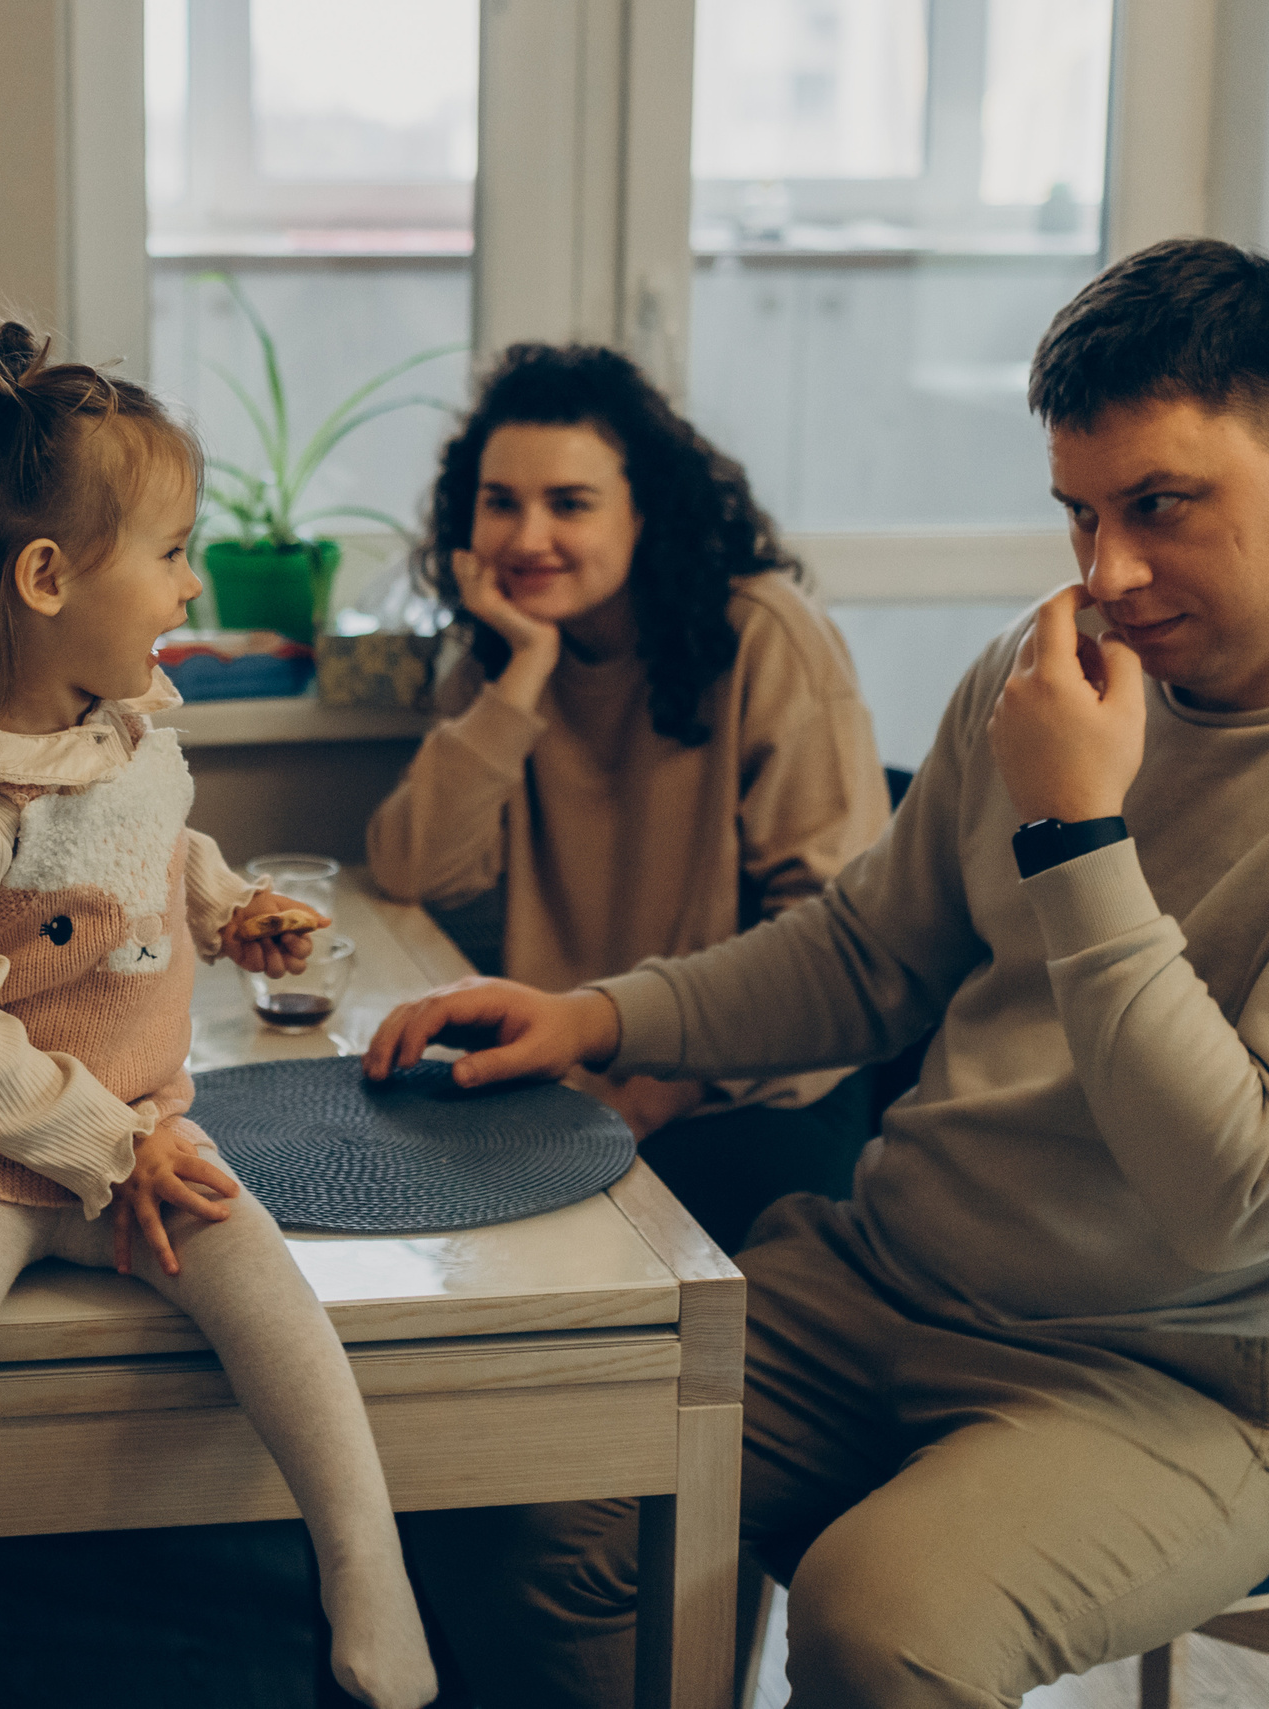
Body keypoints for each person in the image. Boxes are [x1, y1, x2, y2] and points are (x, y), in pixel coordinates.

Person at [364, 239, 1269, 1707]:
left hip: (1176, 1382)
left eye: (1161, 506)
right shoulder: (1050, 662)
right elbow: (865, 954)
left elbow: (1242, 1194)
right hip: (876, 1283)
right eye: (1081, 515)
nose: (1109, 573)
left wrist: (1077, 828)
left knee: (881, 1620)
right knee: (513, 1488)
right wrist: (600, 1014)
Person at [0, 325, 435, 1709]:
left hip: (144, 1124)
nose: (194, 580)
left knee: (276, 1306)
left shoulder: (129, 721)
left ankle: (368, 1567)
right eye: (174, 551)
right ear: (48, 578)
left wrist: (228, 903)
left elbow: (149, 851)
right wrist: (105, 1150)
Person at [365, 343, 890, 1253]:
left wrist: (656, 1089)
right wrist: (524, 674)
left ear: (645, 510)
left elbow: (839, 935)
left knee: (559, 1276)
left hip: (749, 1089)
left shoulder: (766, 637)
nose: (528, 539)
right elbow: (415, 869)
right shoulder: (507, 651)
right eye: (501, 503)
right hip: (569, 1064)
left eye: (569, 504)